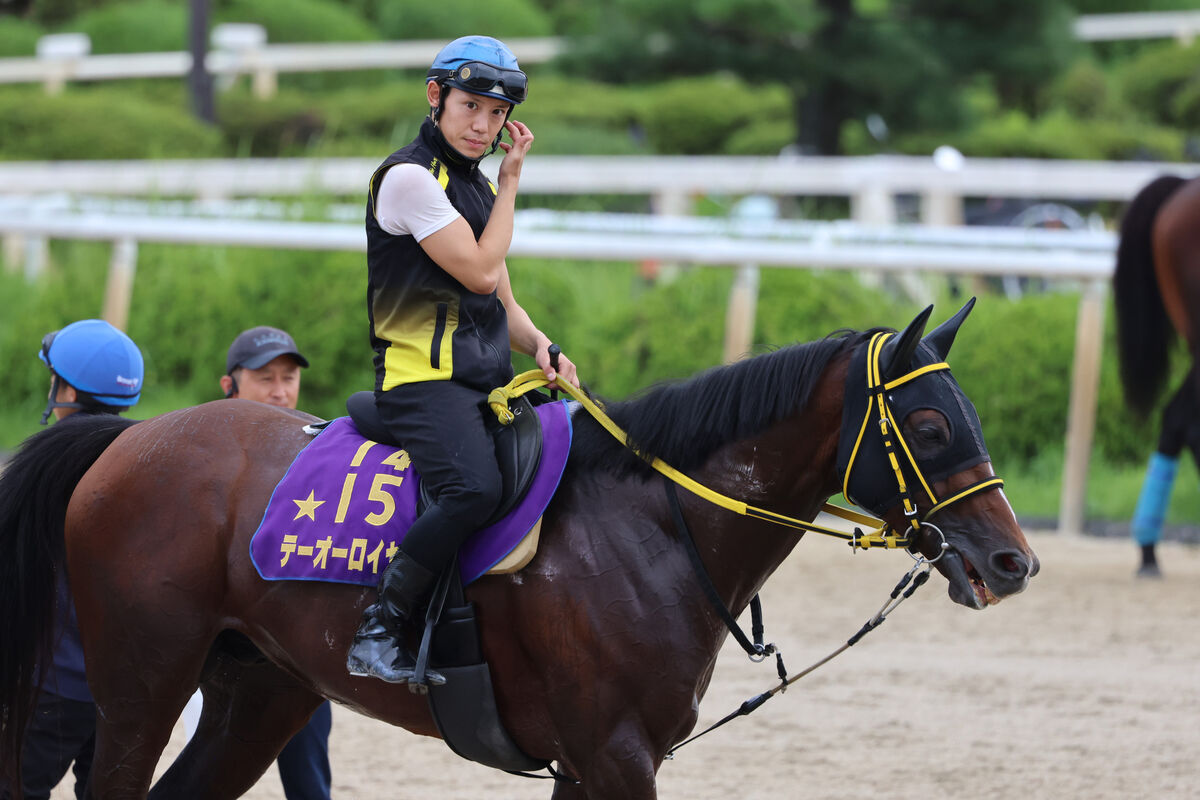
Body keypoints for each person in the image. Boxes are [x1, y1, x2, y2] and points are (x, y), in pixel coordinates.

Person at [345, 34, 578, 686]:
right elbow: (480, 272)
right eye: (472, 106)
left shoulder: (472, 189)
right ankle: (379, 628)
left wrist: (542, 346)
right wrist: (510, 183)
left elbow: (503, 300)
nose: (484, 125)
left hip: (481, 380)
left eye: (498, 114)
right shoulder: (409, 179)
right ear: (435, 97)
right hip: (420, 381)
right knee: (472, 488)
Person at [1, 319, 143, 800]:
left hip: (52, 682)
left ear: (65, 388)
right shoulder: (144, 461)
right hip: (126, 689)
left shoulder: (47, 464)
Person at [215, 325, 333, 800]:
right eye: (266, 378)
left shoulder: (320, 447)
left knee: (308, 770)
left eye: (289, 377)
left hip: (291, 638)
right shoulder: (199, 454)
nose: (281, 392)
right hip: (214, 632)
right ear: (230, 385)